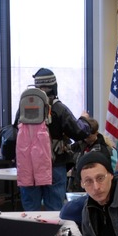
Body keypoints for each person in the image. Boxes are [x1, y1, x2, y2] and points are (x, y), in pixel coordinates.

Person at [30, 68, 92, 210]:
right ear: (54, 86)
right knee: (54, 210)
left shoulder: (23, 109)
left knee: (30, 212)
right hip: (55, 163)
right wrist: (84, 119)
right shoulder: (59, 108)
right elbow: (79, 132)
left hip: (30, 166)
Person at [68, 114, 113, 191]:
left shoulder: (103, 149)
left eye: (89, 137)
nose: (86, 139)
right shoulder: (77, 145)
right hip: (76, 185)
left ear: (96, 133)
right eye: (84, 136)